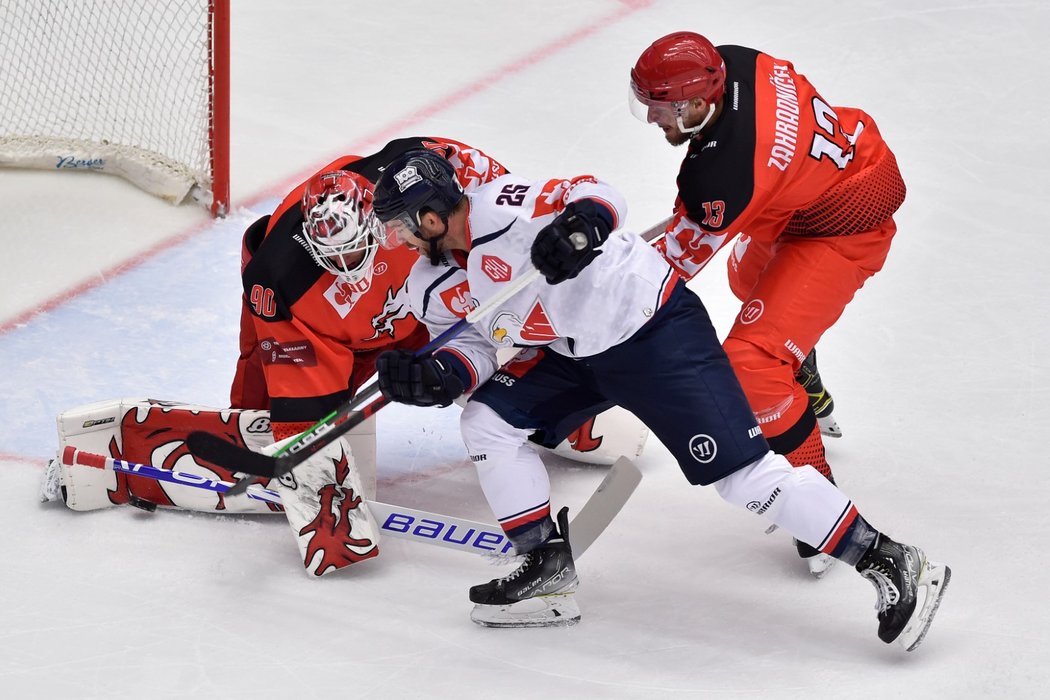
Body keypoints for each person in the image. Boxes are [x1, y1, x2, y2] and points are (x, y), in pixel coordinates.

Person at [369, 149, 949, 650]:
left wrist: (579, 229)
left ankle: (892, 560)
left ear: (429, 215)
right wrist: (441, 377)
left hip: (653, 332)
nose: (394, 238)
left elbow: (596, 193)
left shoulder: (504, 204)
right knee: (487, 420)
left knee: (744, 478)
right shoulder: (430, 280)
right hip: (575, 355)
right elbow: (480, 343)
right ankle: (545, 564)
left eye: (398, 224)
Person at [628, 32, 905, 573]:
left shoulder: (726, 174)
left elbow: (669, 269)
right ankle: (801, 374)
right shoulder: (732, 60)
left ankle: (818, 498)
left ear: (698, 101)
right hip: (813, 181)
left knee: (751, 365)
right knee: (746, 279)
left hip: (843, 223)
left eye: (662, 109)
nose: (654, 121)